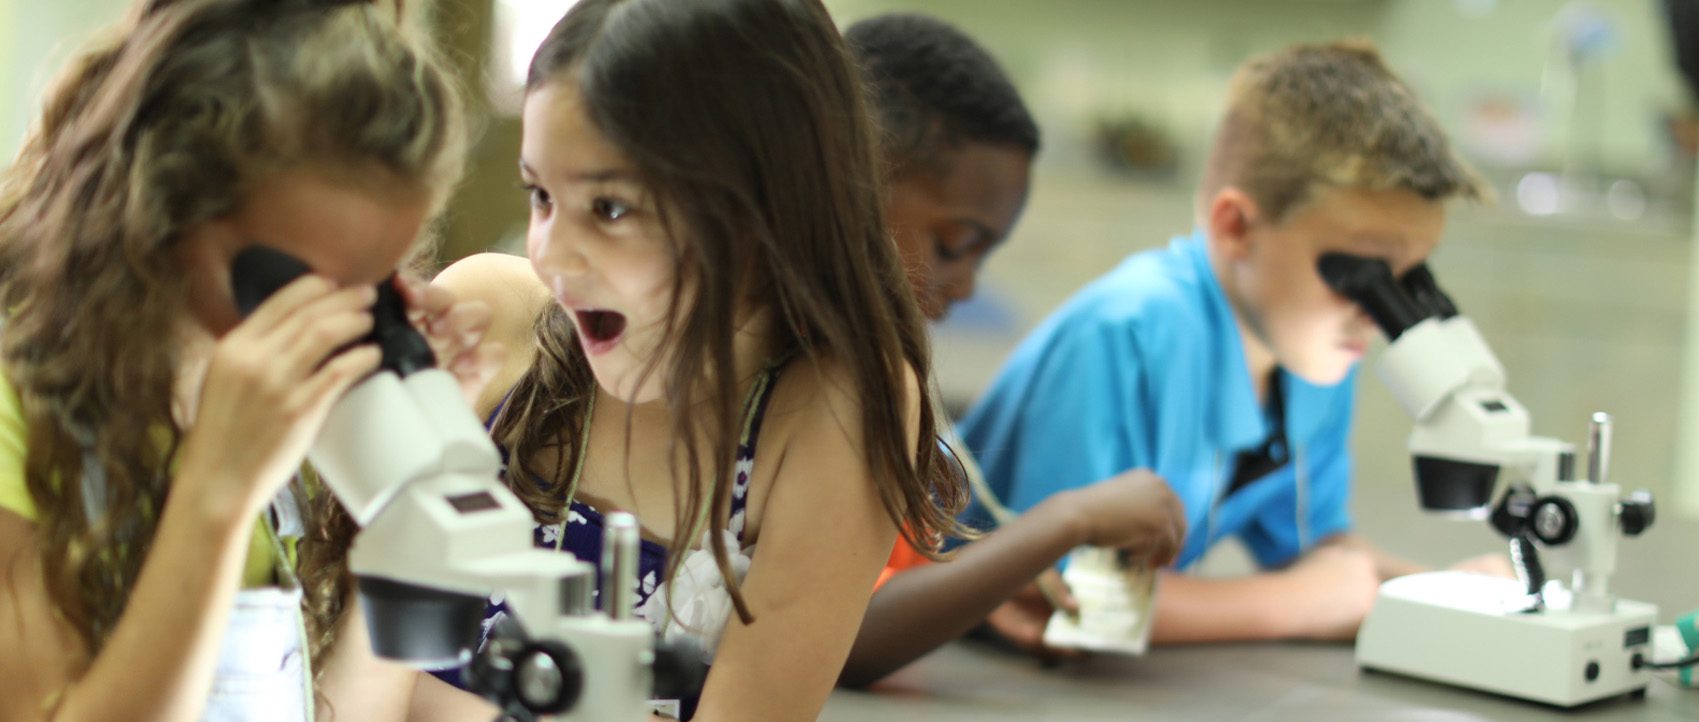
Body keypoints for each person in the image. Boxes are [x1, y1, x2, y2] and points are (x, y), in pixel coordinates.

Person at [429, 0, 969, 718]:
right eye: (541, 196)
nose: (551, 255)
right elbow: (325, 659)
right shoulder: (483, 320)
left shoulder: (830, 412)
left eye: (611, 208)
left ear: (760, 209)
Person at [0, 0, 504, 720]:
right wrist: (217, 492)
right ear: (163, 201)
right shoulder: (18, 400)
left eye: (372, 284)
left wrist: (407, 504)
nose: (334, 322)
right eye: (301, 283)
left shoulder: (236, 380)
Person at [959, 40, 1510, 647]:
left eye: (1410, 279)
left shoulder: (1314, 356)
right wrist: (1293, 605)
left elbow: (1316, 556)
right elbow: (1061, 601)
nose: (1378, 316)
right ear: (1236, 227)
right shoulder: (1126, 332)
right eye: (1364, 273)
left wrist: (1442, 591)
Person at [835, 13, 1187, 686]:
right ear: (850, 180)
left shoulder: (880, 377)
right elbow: (844, 637)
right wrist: (1068, 519)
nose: (965, 285)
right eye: (955, 244)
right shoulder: (800, 379)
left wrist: (974, 601)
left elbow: (882, 582)